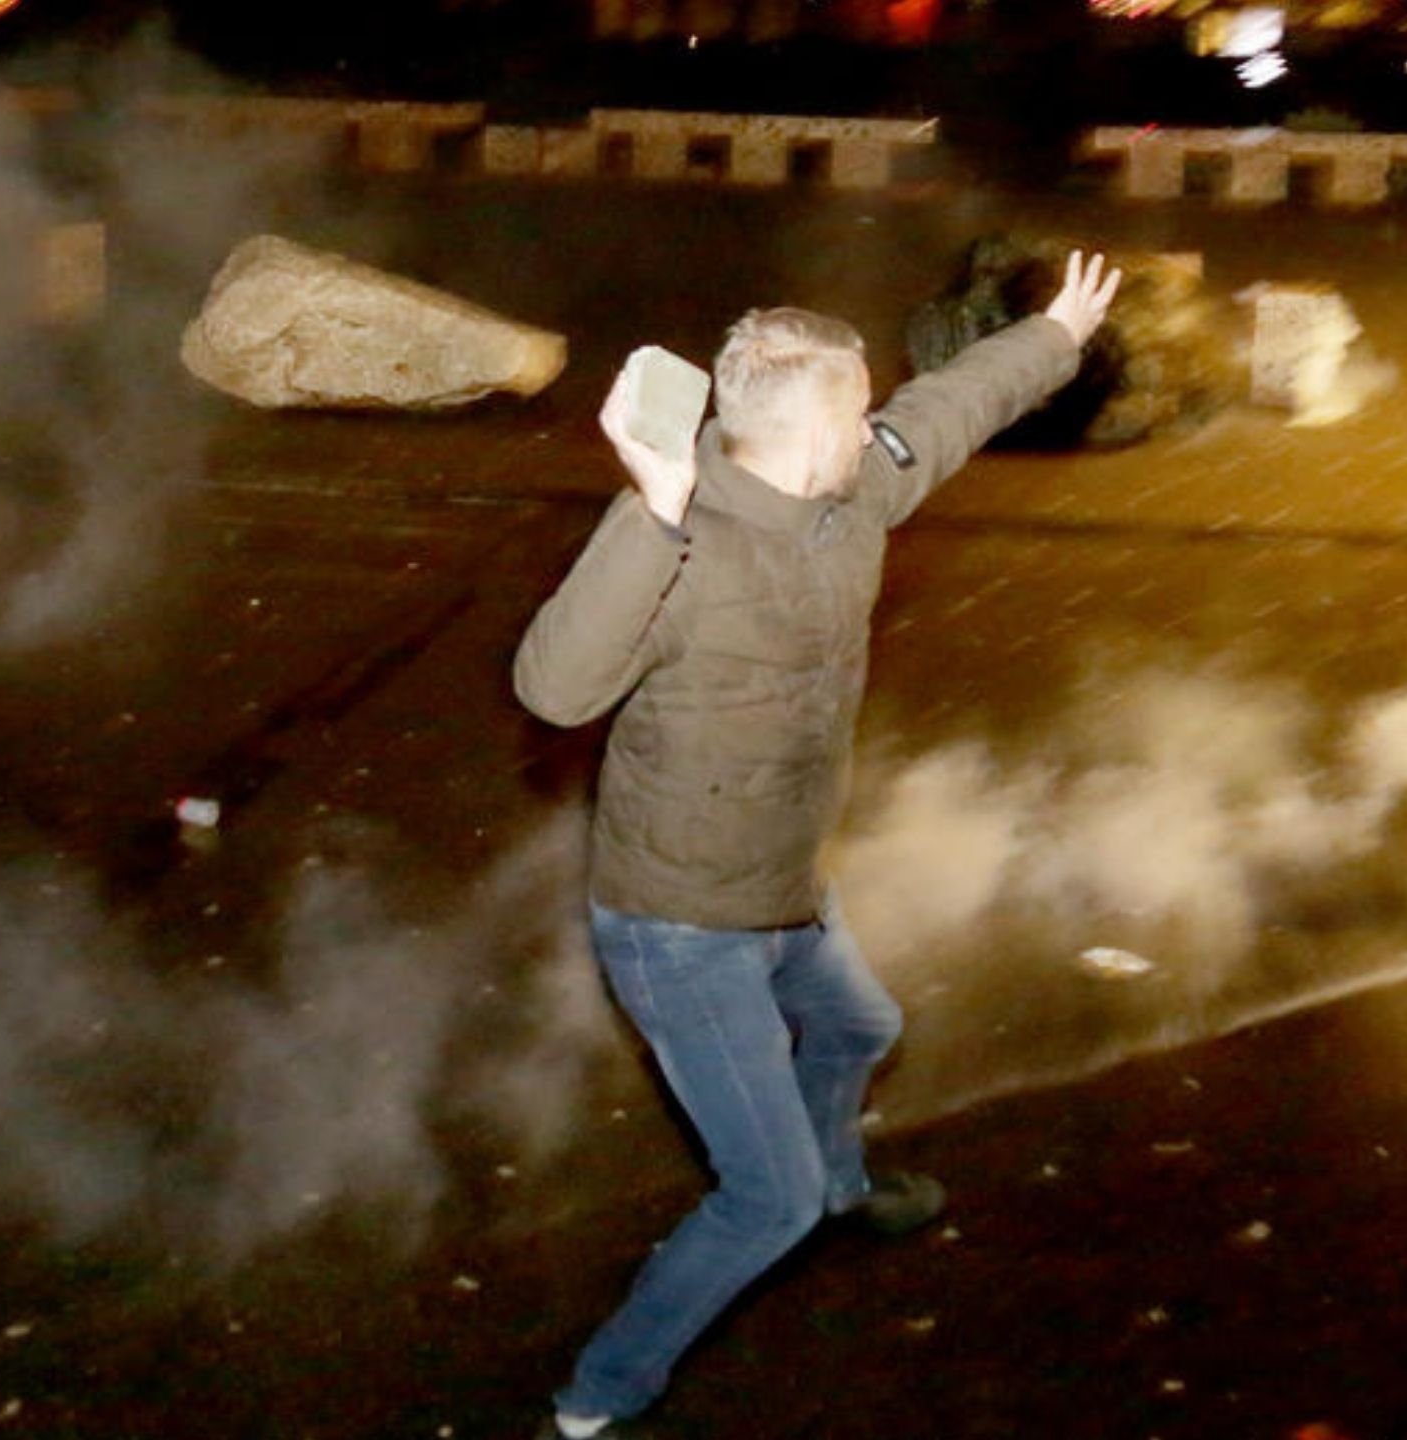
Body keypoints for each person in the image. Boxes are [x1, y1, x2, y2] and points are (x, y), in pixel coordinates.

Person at [511, 251, 1122, 1439]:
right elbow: (554, 687)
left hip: (781, 885)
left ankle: (842, 1187)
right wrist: (647, 507)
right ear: (813, 427)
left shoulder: (850, 498)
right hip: (679, 924)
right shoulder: (677, 542)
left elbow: (943, 412)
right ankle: (595, 1400)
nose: (876, 417)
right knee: (762, 1201)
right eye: (858, 405)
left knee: (857, 1027)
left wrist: (1052, 335)